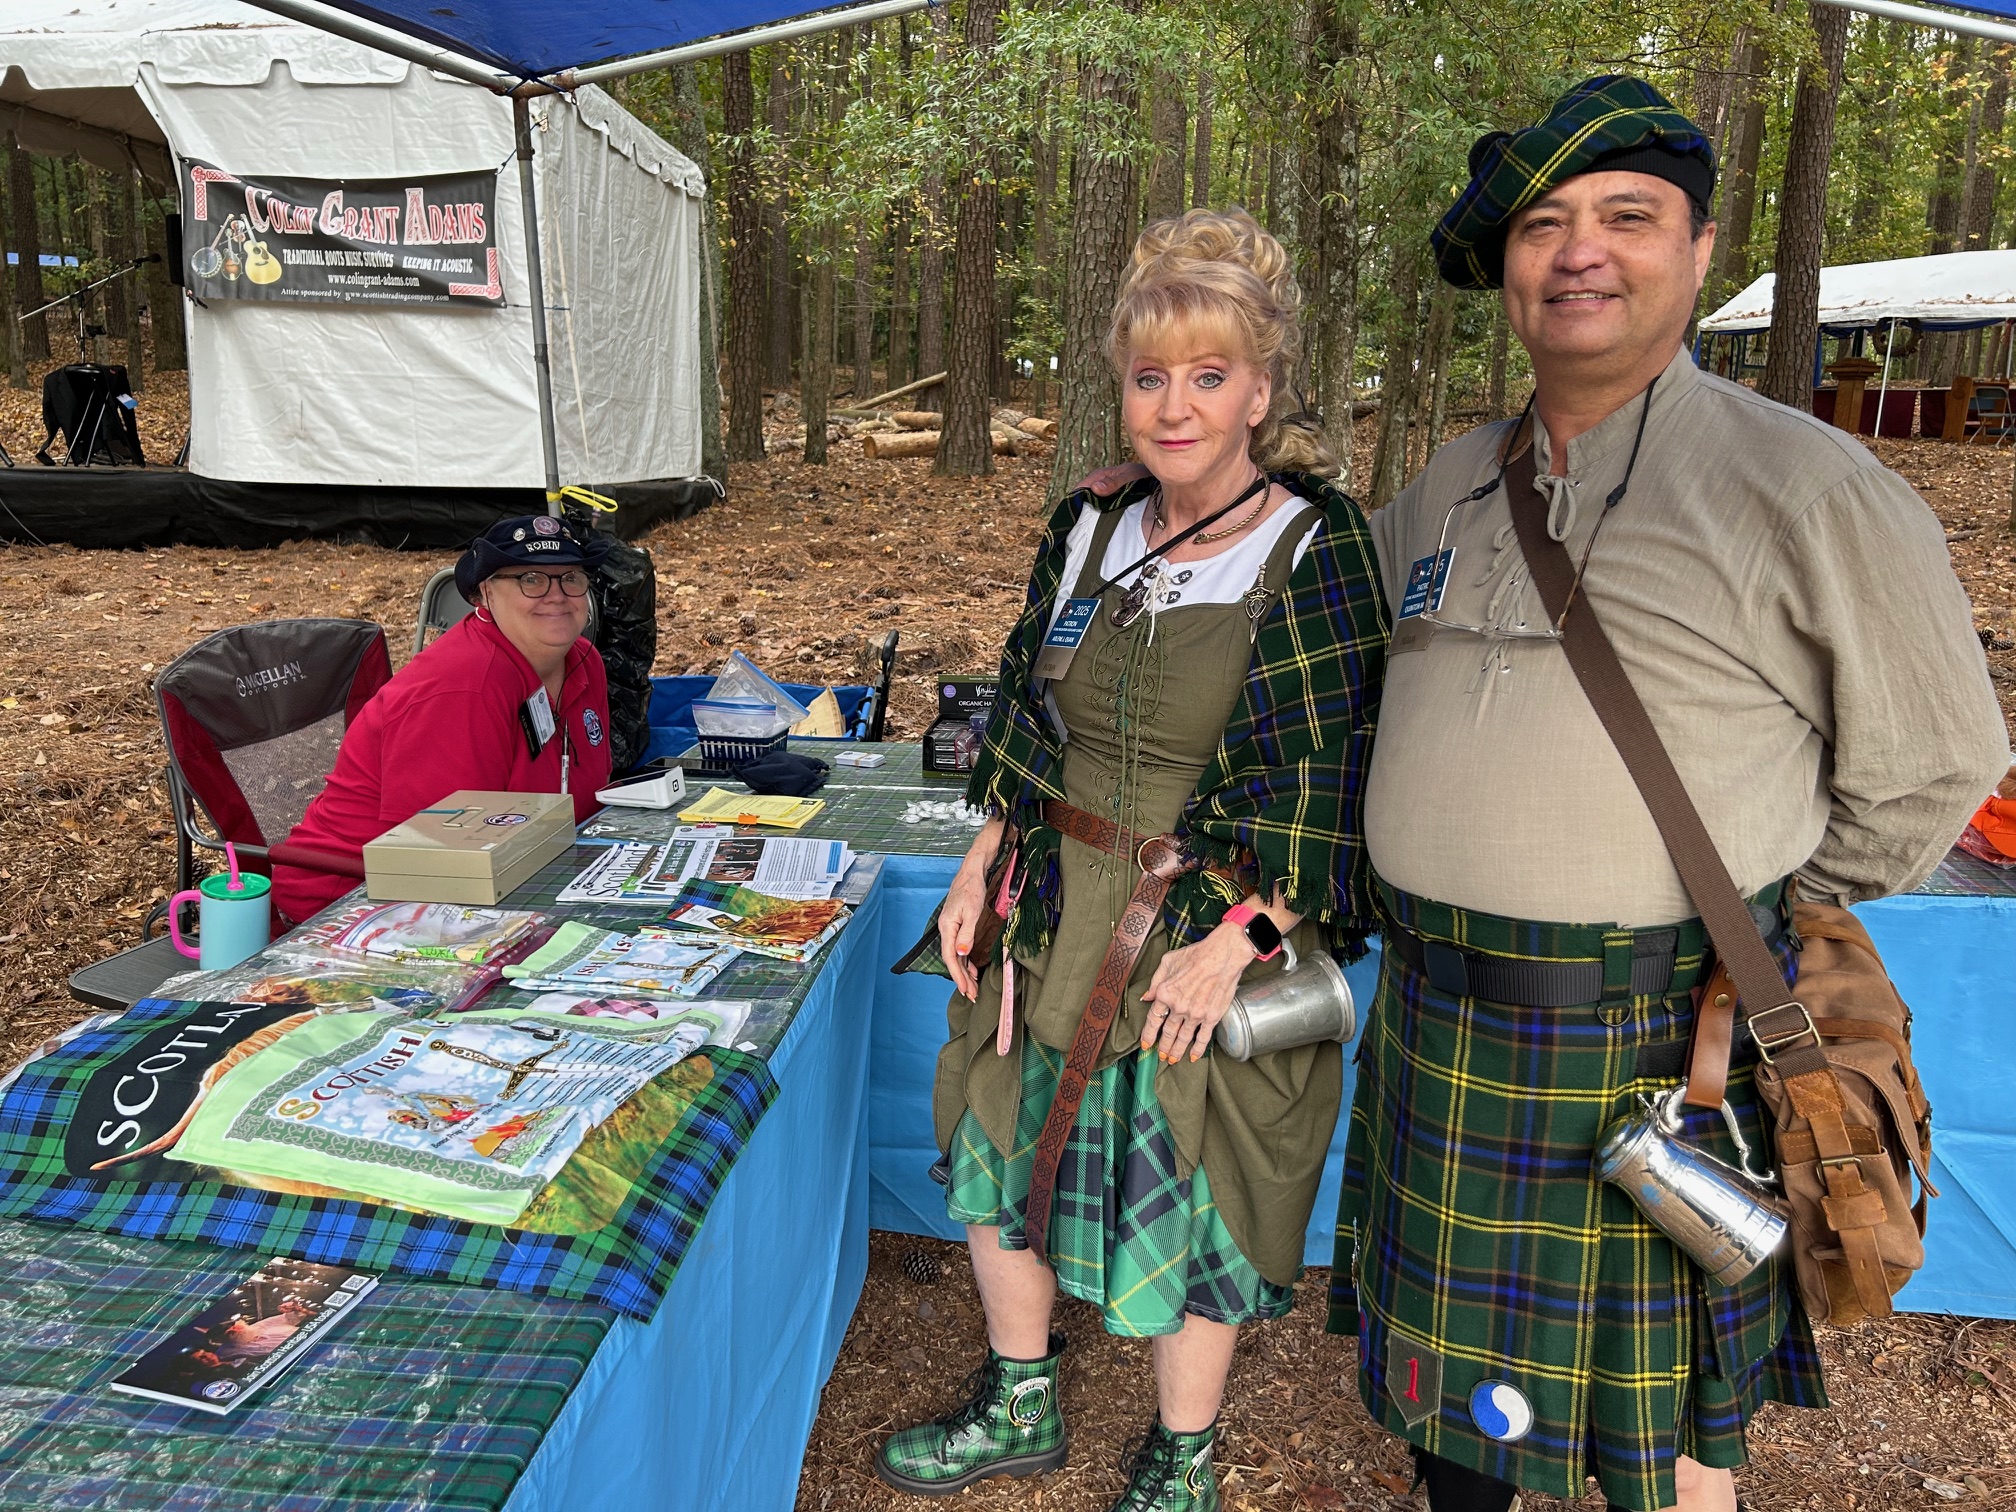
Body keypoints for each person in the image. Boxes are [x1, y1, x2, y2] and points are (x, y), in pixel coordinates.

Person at [1325, 76, 2009, 1512]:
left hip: (1663, 1048)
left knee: (1675, 1441)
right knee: (1457, 1434)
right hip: (1439, 1034)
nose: (1580, 250)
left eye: (1627, 217)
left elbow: (1941, 762)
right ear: (1507, 272)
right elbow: (1329, 663)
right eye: (1545, 224)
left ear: (1699, 253)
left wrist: (1760, 906)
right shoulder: (1445, 485)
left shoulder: (1806, 486)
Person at [875, 208, 1388, 1511]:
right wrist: (983, 849)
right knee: (994, 1143)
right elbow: (1019, 703)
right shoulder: (1088, 524)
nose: (1175, 406)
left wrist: (1239, 939)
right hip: (1050, 900)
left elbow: (1335, 781)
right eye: (1152, 376)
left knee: (1198, 1193)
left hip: (1200, 915)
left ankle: (1182, 1459)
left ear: (1259, 391)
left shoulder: (1315, 548)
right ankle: (1021, 1397)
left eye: (1209, 377)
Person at [273, 515, 613, 923]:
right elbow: (439, 863)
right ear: (485, 592)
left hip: (521, 877)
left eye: (571, 578)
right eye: (531, 579)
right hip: (353, 899)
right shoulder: (463, 687)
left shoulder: (583, 663)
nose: (557, 595)